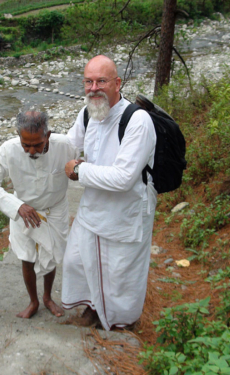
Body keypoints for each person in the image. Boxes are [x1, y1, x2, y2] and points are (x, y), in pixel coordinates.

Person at [62, 55, 157, 331]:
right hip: (94, 207)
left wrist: (80, 171)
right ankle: (93, 307)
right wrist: (35, 141)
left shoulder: (138, 121)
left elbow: (124, 178)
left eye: (101, 81)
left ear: (118, 83)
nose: (94, 88)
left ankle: (119, 323)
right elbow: (69, 145)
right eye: (88, 82)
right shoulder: (88, 113)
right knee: (78, 261)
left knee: (119, 273)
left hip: (125, 210)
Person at [0, 110, 79, 319]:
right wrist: (16, 206)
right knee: (26, 256)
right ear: (18, 136)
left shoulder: (66, 146)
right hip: (23, 211)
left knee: (51, 255)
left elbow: (84, 164)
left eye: (37, 144)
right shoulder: (8, 150)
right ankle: (33, 301)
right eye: (26, 145)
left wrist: (78, 170)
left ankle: (47, 297)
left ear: (48, 135)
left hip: (54, 210)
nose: (31, 150)